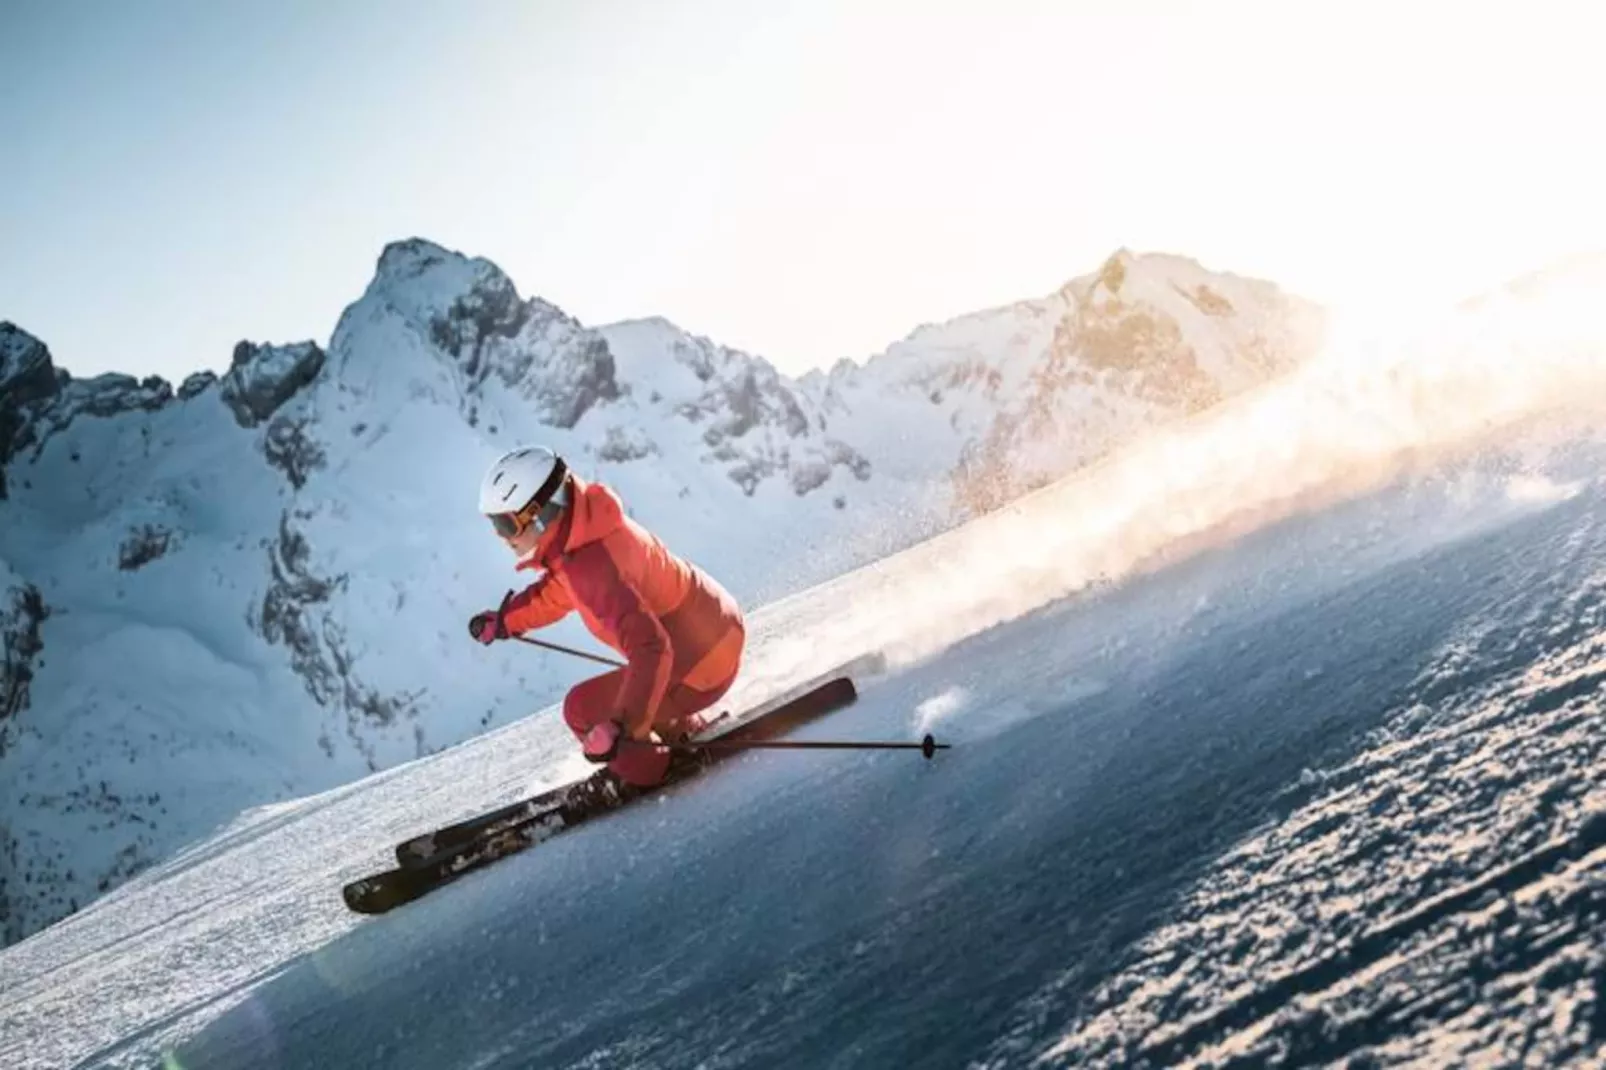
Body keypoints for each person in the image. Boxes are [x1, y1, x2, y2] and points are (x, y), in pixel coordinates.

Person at [468, 445, 746, 789]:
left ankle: (644, 772)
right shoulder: (582, 532)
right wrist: (507, 620)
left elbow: (651, 648)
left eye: (505, 523)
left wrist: (623, 729)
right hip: (713, 629)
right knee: (630, 688)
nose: (500, 536)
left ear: (537, 513)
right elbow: (556, 594)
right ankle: (682, 730)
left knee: (582, 709)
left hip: (701, 660)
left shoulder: (590, 565)